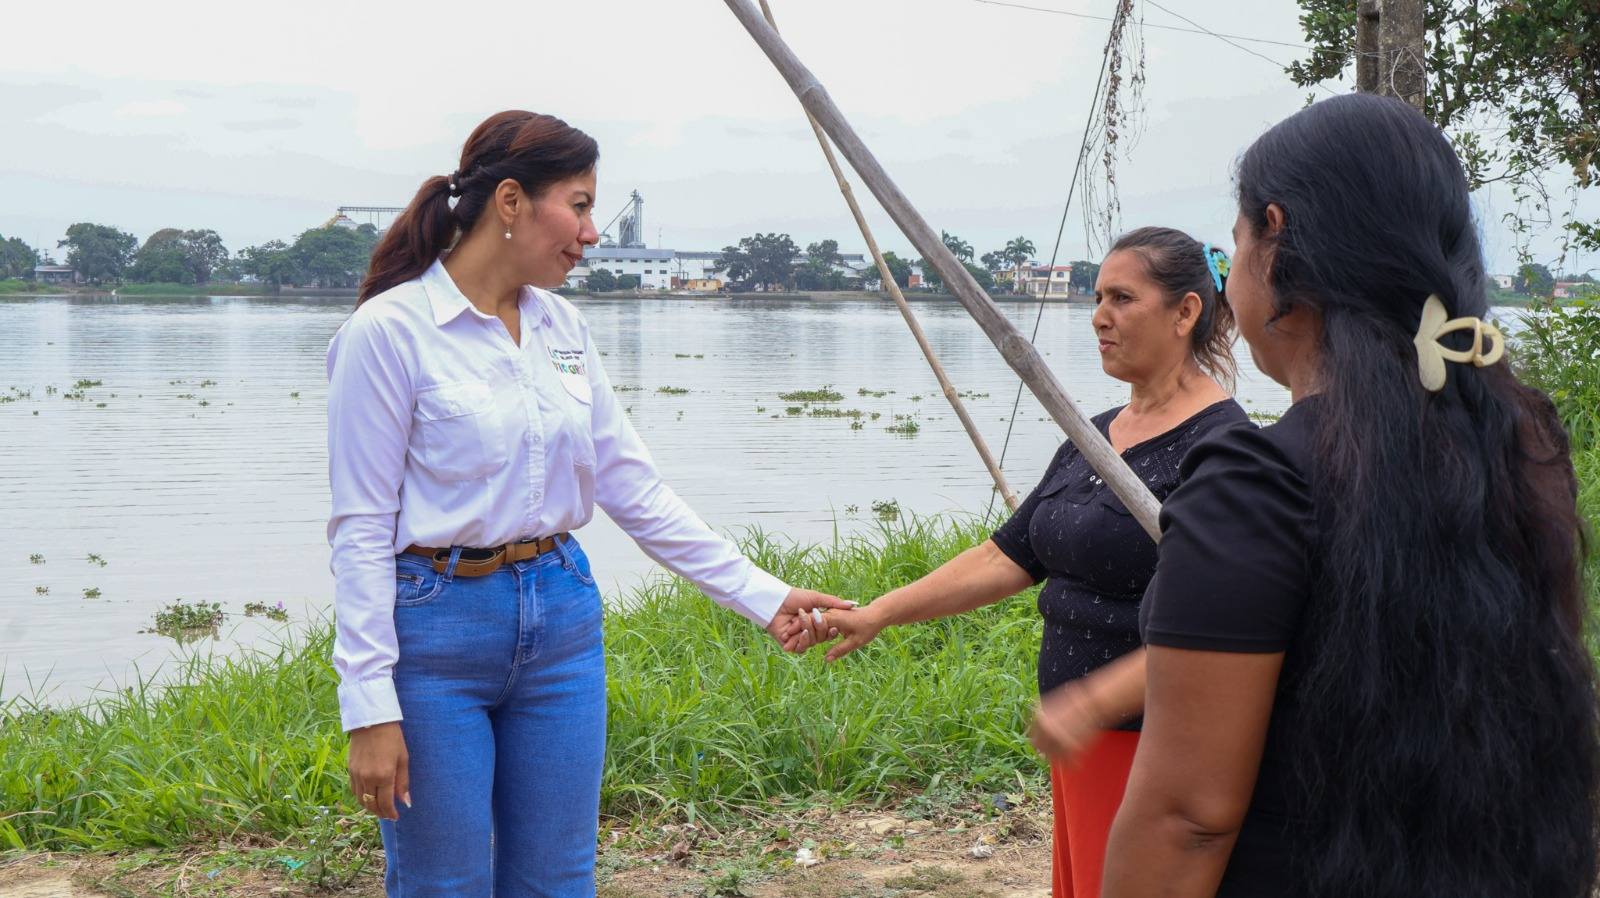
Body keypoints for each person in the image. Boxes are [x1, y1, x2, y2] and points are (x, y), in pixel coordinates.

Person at [325, 110, 848, 898]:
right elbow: (361, 529)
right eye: (578, 205)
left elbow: (633, 488)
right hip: (435, 635)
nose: (592, 233)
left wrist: (763, 595)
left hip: (562, 624)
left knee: (559, 880)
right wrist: (369, 706)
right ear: (510, 201)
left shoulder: (561, 327)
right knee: (444, 883)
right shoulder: (389, 333)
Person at [1103, 93, 1600, 898]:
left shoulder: (1252, 486)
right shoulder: (1518, 445)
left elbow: (1187, 819)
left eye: (1235, 246)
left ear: (1276, 240)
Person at [821, 227, 1248, 898]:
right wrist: (878, 613)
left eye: (1122, 298)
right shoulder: (1093, 434)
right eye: (1098, 297)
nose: (1099, 316)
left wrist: (1094, 701)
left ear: (1185, 312)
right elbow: (1007, 555)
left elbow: (1219, 630)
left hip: (1152, 749)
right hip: (1081, 741)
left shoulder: (1223, 449)